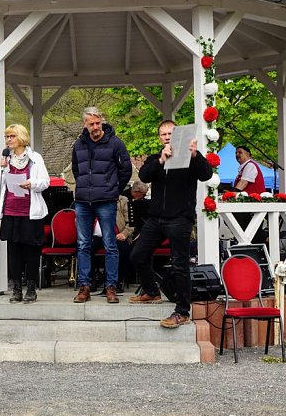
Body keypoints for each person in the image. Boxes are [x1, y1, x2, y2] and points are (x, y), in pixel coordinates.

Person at [129, 119, 213, 329]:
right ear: (160, 138)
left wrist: (194, 155)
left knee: (180, 264)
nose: (167, 137)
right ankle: (152, 291)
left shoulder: (191, 157)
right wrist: (161, 160)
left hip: (180, 218)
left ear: (177, 135)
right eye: (163, 134)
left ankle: (182, 311)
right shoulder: (155, 158)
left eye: (170, 134)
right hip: (156, 218)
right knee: (137, 254)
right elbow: (143, 176)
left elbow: (207, 175)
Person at [71, 107, 132, 304]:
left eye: (98, 123)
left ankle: (111, 286)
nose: (96, 127)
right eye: (91, 124)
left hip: (106, 200)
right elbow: (75, 169)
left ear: (102, 121)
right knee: (83, 245)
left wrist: (112, 189)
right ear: (85, 125)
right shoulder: (78, 145)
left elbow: (126, 170)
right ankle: (84, 286)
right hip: (82, 201)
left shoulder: (115, 143)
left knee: (110, 244)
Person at [0, 124, 50, 303]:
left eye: (12, 136)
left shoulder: (35, 158)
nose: (8, 140)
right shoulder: (7, 159)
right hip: (11, 211)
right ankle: (17, 288)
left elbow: (45, 182)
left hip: (30, 213)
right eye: (7, 137)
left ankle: (31, 288)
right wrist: (2, 168)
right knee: (14, 252)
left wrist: (32, 183)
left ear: (21, 137)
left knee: (31, 252)